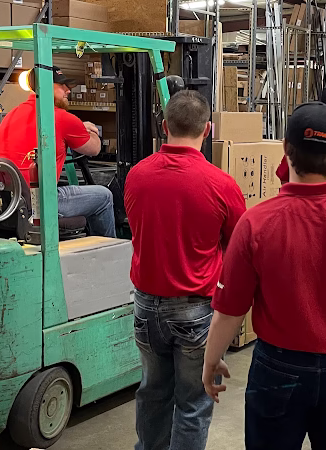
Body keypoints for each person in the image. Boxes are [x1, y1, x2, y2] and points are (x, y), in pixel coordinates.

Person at [203, 102, 326, 450]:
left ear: (286, 149)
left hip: (278, 368)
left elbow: (230, 310)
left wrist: (211, 360)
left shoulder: (256, 223)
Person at [124, 90, 246, 450]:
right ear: (207, 130)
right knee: (193, 402)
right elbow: (237, 249)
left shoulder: (137, 175)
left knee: (152, 393)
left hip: (146, 306)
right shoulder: (222, 185)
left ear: (164, 127)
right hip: (196, 309)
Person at [0, 66, 116, 238]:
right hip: (40, 203)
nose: (68, 90)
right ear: (45, 86)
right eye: (61, 85)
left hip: (8, 203)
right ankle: (107, 251)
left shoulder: (12, 114)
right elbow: (94, 149)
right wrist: (90, 129)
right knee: (104, 197)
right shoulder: (60, 117)